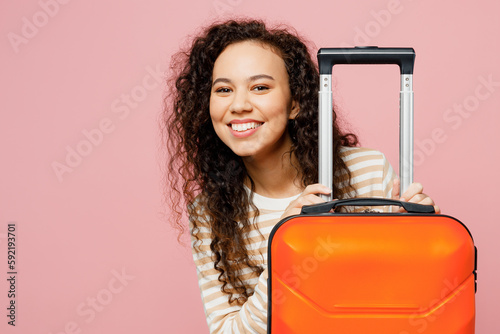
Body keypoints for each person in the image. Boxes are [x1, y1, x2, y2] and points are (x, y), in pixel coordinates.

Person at [163, 19, 439, 334]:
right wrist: (283, 250)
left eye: (260, 87)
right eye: (223, 89)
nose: (238, 105)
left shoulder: (369, 172)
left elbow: (412, 304)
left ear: (295, 103)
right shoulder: (211, 211)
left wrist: (427, 240)